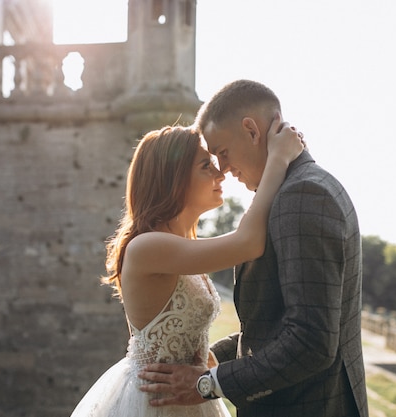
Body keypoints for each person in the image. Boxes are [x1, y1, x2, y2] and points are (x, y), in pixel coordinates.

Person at [139, 80, 369, 417]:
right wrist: (206, 356)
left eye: (222, 152)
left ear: (250, 130)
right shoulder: (296, 192)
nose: (223, 169)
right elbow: (271, 326)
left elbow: (311, 342)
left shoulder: (302, 196)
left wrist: (207, 383)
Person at [69, 117, 304, 417]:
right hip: (155, 403)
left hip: (188, 394)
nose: (221, 173)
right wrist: (278, 159)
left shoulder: (179, 244)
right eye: (206, 165)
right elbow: (248, 243)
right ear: (172, 177)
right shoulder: (147, 246)